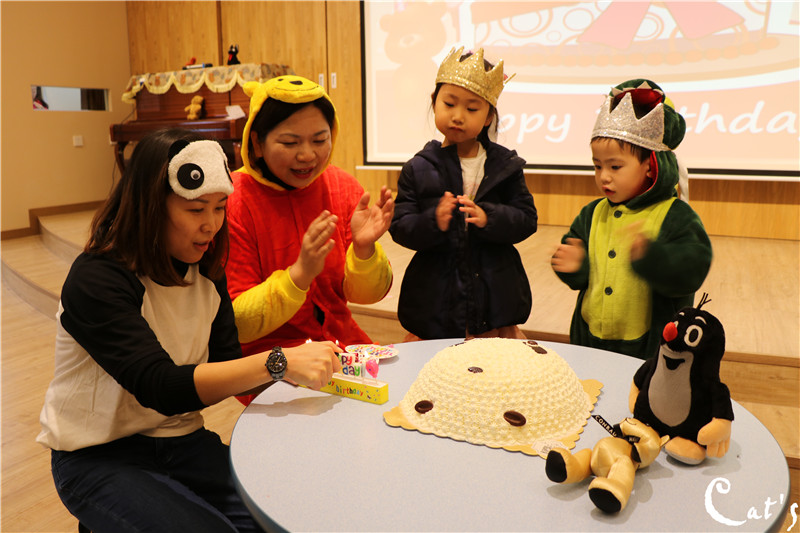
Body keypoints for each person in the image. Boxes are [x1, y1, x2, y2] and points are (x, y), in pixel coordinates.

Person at [37, 128, 341, 533]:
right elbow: (160, 386)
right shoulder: (98, 278)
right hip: (98, 455)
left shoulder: (207, 274)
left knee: (284, 515)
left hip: (183, 443)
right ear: (149, 207)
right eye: (196, 210)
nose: (211, 225)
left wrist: (317, 381)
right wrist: (278, 362)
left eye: (220, 208)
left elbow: (225, 365)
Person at [226, 75, 393, 404]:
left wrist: (364, 251)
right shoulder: (234, 201)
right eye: (290, 143)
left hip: (341, 348)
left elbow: (368, 295)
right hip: (270, 364)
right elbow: (237, 324)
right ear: (256, 143)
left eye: (320, 139)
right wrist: (298, 276)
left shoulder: (341, 186)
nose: (307, 155)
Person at [551, 79, 712, 360]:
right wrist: (575, 266)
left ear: (650, 166)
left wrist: (653, 258)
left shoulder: (676, 216)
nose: (604, 176)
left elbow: (691, 272)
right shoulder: (591, 214)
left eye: (615, 166)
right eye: (597, 166)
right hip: (590, 340)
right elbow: (579, 272)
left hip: (649, 348)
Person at [389, 46, 538, 340]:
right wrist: (433, 221)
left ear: (488, 117)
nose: (458, 116)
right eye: (449, 104)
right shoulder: (418, 168)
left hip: (494, 301)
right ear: (434, 103)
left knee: (496, 366)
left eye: (471, 109)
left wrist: (489, 217)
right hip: (436, 304)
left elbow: (526, 219)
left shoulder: (505, 165)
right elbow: (400, 226)